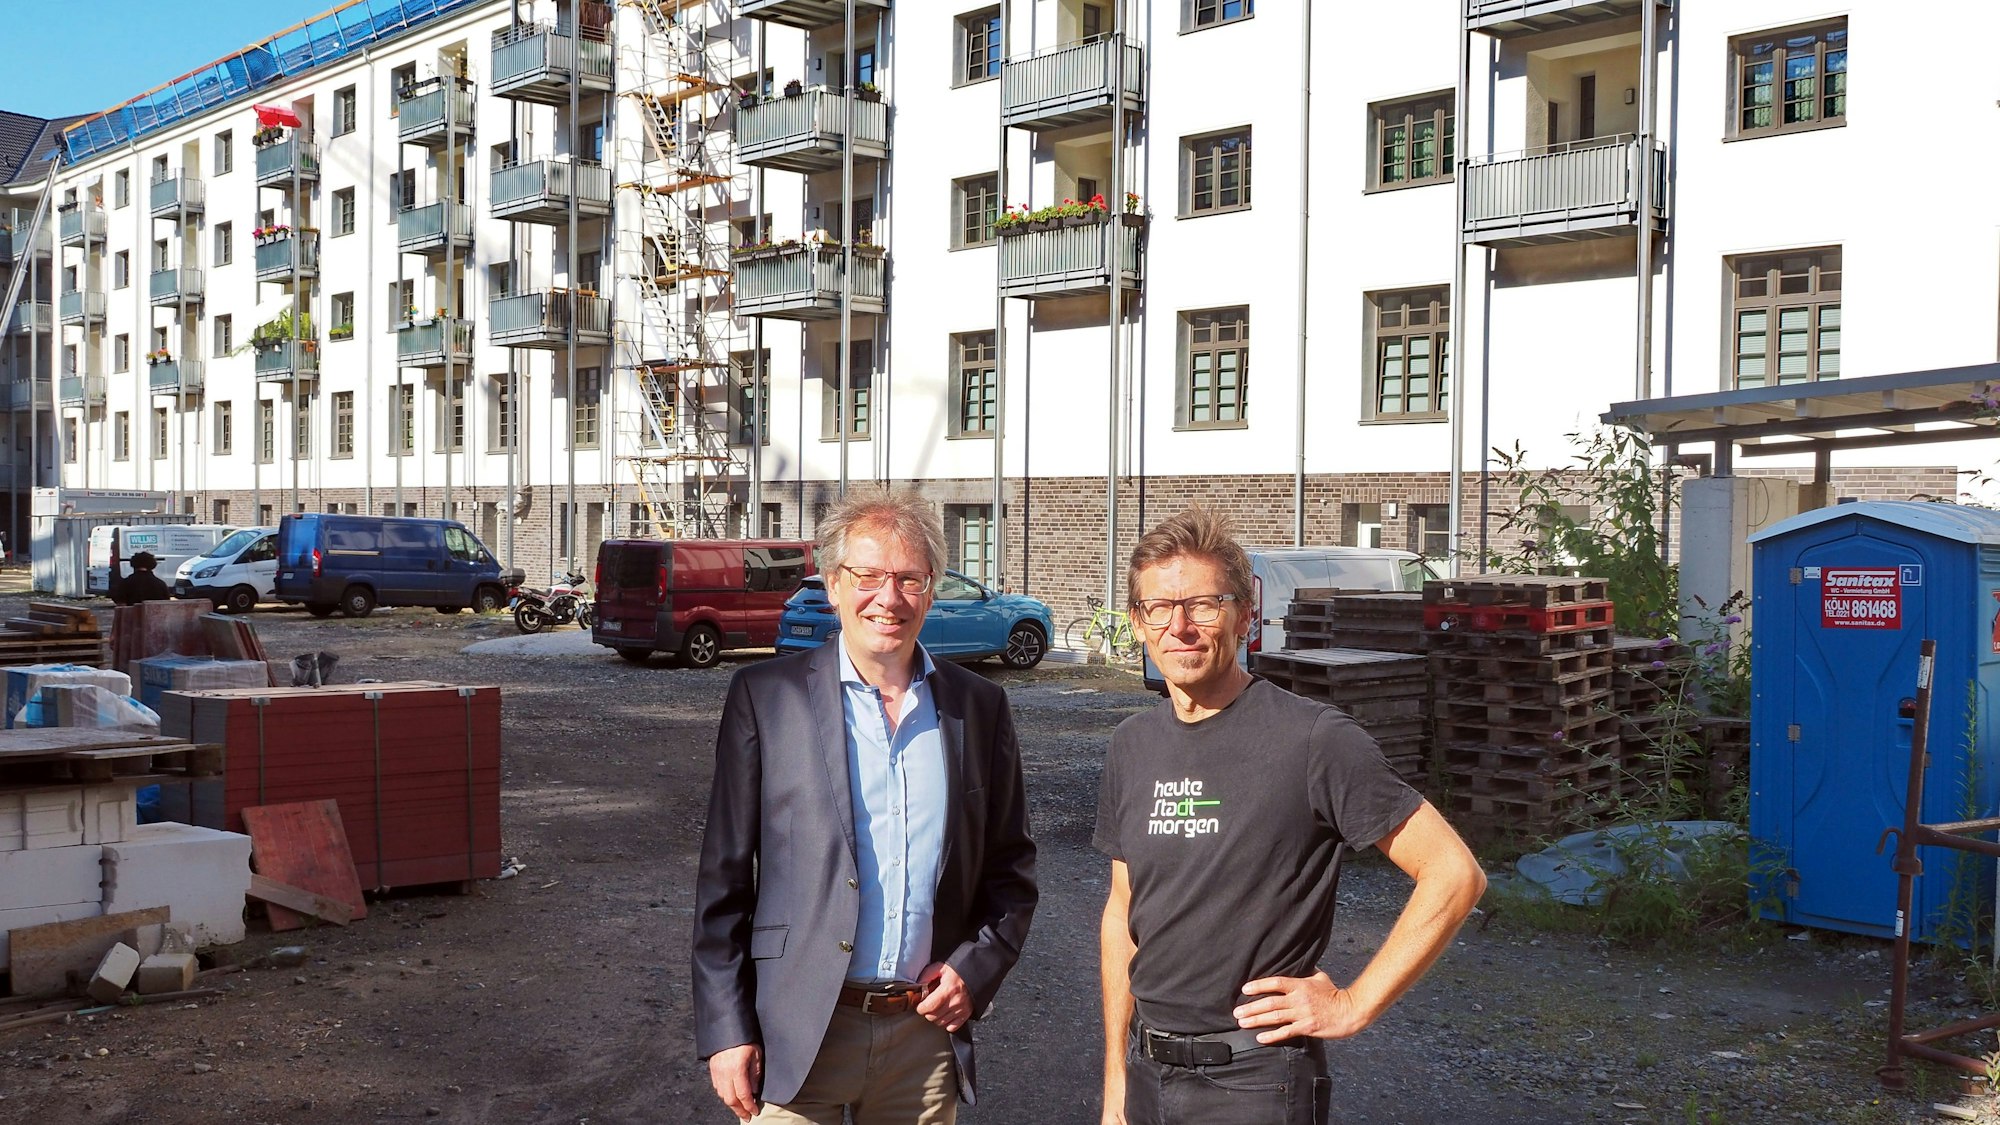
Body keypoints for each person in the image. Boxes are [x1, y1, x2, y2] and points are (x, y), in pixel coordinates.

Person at [1096, 508, 1487, 1124]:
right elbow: (1123, 913)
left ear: (1245, 613)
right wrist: (1117, 1080)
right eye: (1158, 609)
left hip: (1256, 1083)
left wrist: (1355, 1004)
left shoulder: (1312, 740)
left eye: (1203, 604)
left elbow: (1453, 873)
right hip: (1148, 1075)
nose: (1181, 627)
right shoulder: (1132, 745)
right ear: (1137, 623)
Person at [693, 489, 1038, 1124]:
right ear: (831, 583)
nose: (890, 597)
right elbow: (724, 879)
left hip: (921, 1039)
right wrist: (725, 1028)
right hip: (796, 1031)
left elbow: (1011, 871)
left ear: (931, 591)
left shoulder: (978, 709)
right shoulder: (766, 699)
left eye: (909, 578)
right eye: (869, 576)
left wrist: (975, 968)